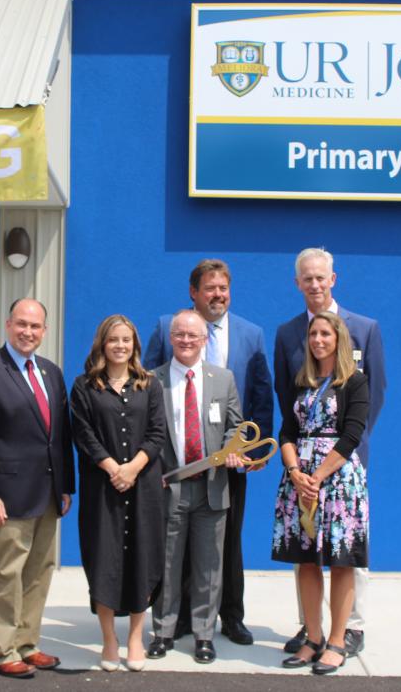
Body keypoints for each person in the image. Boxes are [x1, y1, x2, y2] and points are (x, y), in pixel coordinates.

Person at [144, 258, 272, 646]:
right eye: (210, 288)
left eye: (223, 289)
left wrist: (248, 450)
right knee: (174, 541)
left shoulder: (251, 334)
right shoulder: (169, 327)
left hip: (230, 459)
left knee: (224, 544)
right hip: (178, 463)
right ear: (193, 292)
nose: (218, 295)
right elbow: (148, 387)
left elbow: (261, 397)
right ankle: (177, 618)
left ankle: (230, 616)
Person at [273, 248, 386, 658]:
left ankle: (349, 630)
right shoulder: (287, 333)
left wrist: (341, 451)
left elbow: (373, 399)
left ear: (333, 279)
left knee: (345, 553)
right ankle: (312, 628)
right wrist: (299, 464)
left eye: (321, 277)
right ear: (298, 283)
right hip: (301, 468)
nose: (315, 284)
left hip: (342, 465)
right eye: (307, 278)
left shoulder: (365, 328)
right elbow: (288, 403)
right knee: (306, 552)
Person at [0, 299, 75, 679]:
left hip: (47, 491)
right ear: (8, 325)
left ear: (44, 331)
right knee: (5, 572)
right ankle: (1, 650)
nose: (28, 332)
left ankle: (28, 643)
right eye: (21, 324)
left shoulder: (51, 372)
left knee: (38, 570)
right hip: (5, 495)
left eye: (35, 326)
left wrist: (66, 485)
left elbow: (60, 436)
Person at [272, 311, 369, 675]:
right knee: (306, 560)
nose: (318, 340)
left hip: (338, 482)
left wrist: (318, 476)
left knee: (341, 562)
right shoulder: (304, 382)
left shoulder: (354, 382)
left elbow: (352, 435)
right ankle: (312, 638)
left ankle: (338, 641)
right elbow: (286, 432)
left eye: (325, 333)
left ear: (338, 338)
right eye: (313, 334)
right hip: (300, 481)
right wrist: (296, 472)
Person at [70, 315, 167, 672]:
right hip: (103, 489)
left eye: (127, 340)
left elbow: (157, 433)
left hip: (142, 488)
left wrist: (132, 468)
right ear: (102, 344)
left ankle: (136, 638)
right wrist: (114, 468)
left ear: (135, 345)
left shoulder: (150, 385)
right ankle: (109, 639)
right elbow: (83, 435)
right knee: (104, 562)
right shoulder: (84, 387)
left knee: (142, 559)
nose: (120, 346)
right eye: (114, 340)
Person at [147, 309, 244, 665]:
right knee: (168, 564)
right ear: (170, 339)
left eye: (193, 335)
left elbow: (235, 426)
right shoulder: (152, 380)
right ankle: (164, 631)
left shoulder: (223, 379)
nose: (186, 341)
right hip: (169, 487)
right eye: (180, 335)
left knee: (209, 565)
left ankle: (204, 634)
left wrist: (234, 450)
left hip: (212, 488)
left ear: (205, 340)